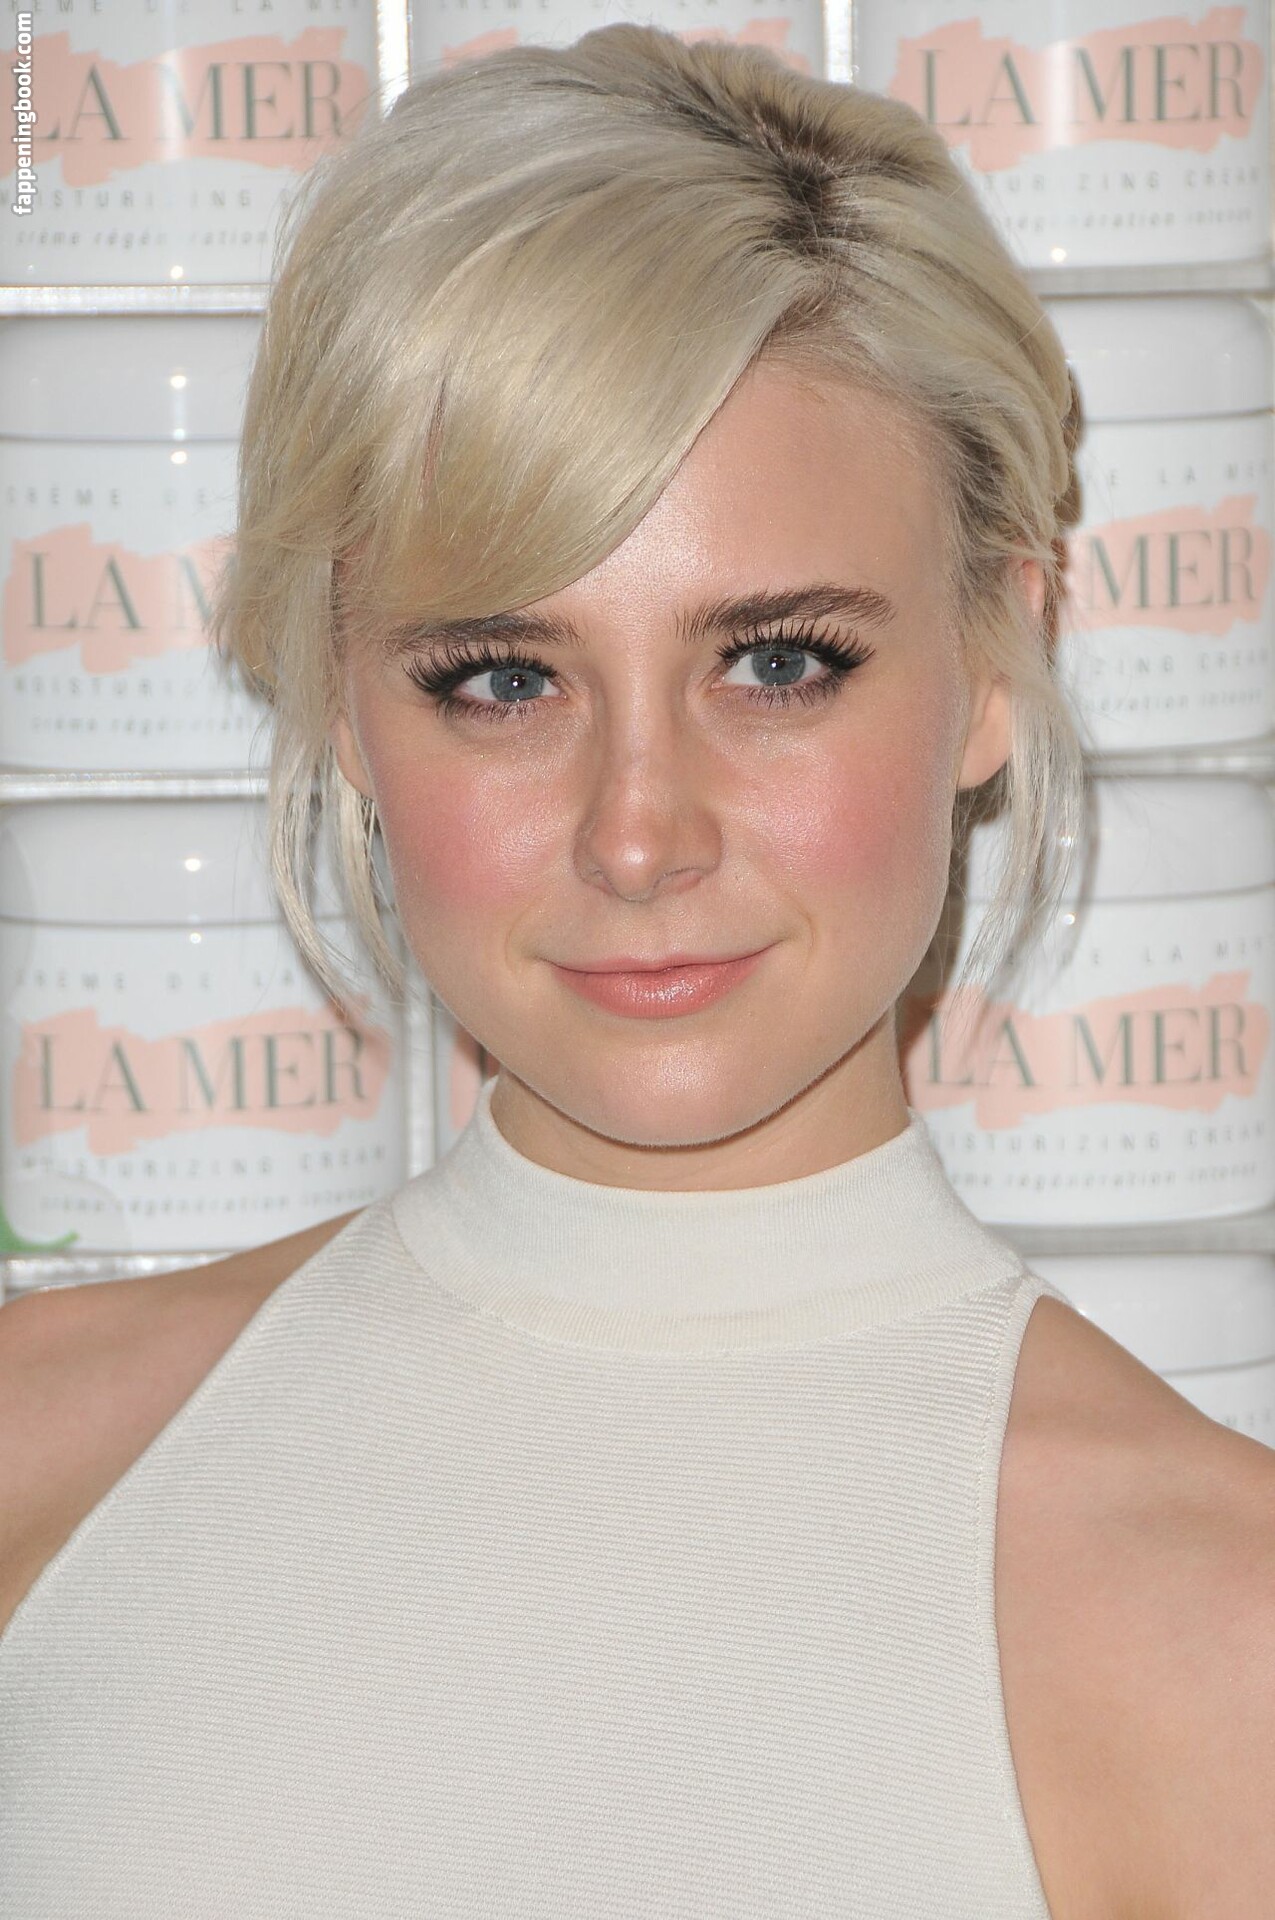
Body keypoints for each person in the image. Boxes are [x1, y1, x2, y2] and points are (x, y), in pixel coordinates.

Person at [1, 24, 1272, 1916]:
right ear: (345, 701)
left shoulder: (1224, 1637)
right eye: (504, 679)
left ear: (997, 658)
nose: (636, 832)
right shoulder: (40, 1458)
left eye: (777, 663)